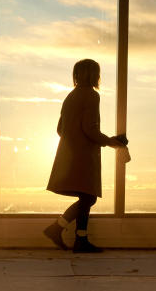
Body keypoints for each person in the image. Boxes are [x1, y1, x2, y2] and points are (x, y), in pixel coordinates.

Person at [44, 58, 126, 253]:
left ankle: (75, 237)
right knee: (88, 197)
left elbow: (59, 129)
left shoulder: (70, 97)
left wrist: (73, 141)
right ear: (95, 75)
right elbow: (90, 130)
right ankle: (62, 230)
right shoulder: (91, 95)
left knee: (86, 197)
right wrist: (112, 142)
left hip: (69, 154)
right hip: (83, 155)